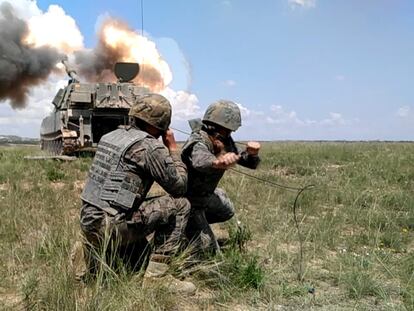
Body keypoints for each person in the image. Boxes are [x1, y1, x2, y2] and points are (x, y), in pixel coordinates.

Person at [72, 93, 195, 294]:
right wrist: (173, 149)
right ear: (162, 124)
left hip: (88, 222)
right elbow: (179, 187)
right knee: (180, 204)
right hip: (111, 228)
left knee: (134, 220)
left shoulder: (110, 137)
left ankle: (90, 251)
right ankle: (157, 278)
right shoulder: (150, 147)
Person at [181, 100, 261, 253]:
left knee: (226, 210)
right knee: (210, 254)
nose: (230, 134)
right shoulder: (198, 140)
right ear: (215, 128)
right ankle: (184, 225)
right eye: (228, 130)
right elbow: (199, 161)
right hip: (189, 201)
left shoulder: (223, 140)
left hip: (204, 196)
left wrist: (252, 155)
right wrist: (218, 162)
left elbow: (245, 161)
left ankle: (191, 227)